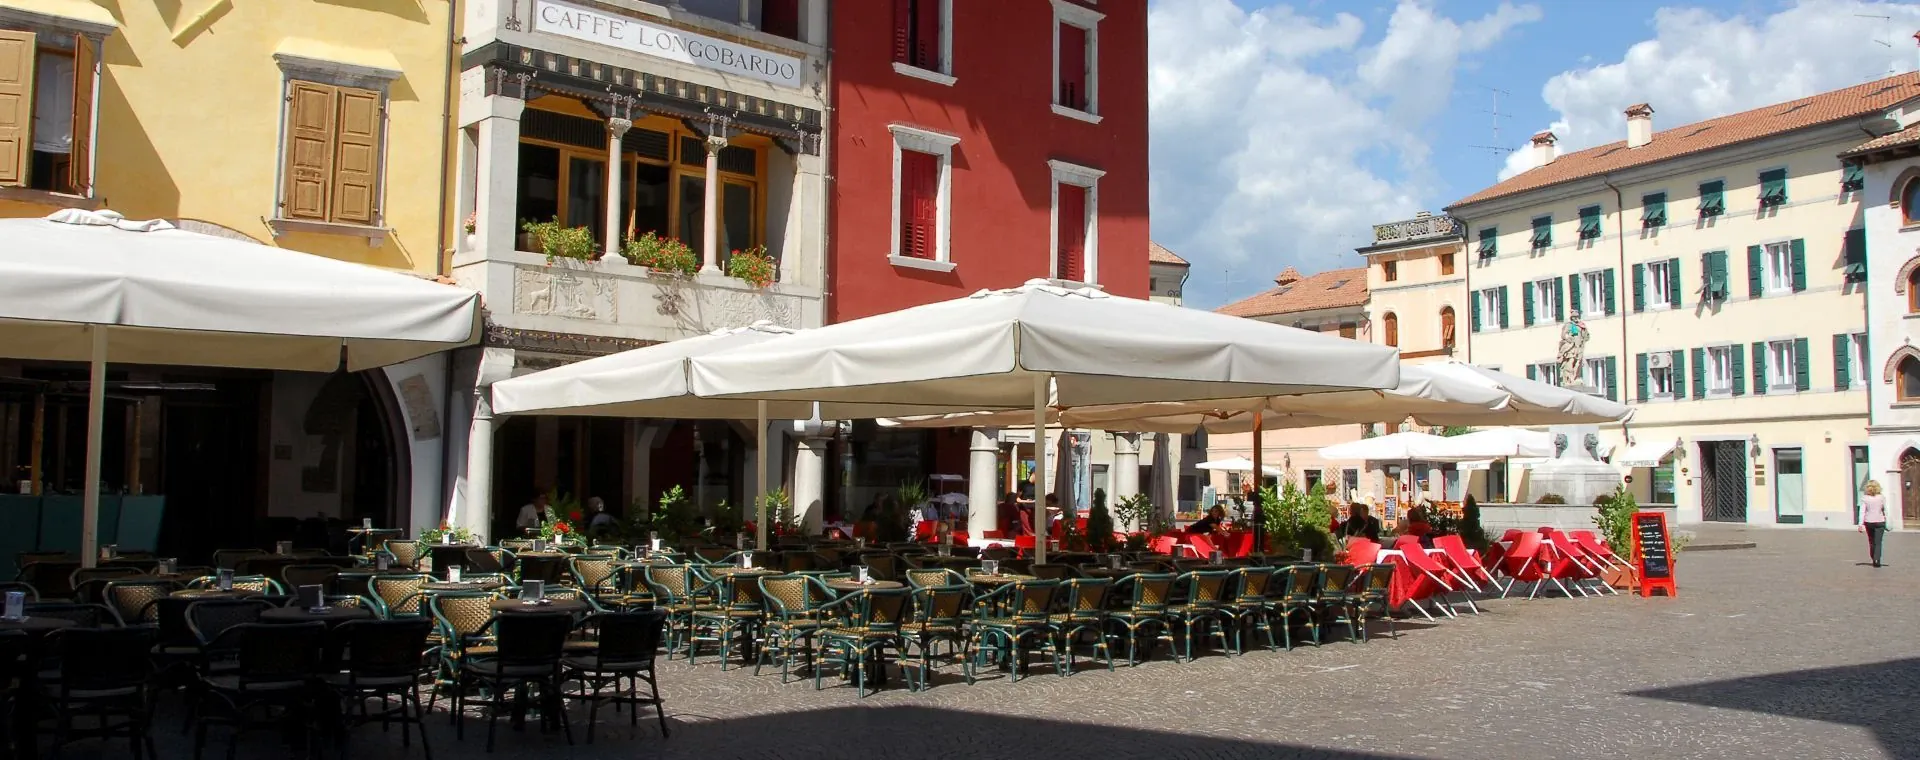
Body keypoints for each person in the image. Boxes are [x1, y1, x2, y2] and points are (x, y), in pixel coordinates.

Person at [1861, 480, 1888, 568]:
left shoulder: (1864, 498)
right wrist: (1887, 518)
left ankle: (1873, 557)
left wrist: (1860, 524)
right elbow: (1885, 510)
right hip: (1880, 521)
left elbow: (1862, 511)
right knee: (1878, 542)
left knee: (1871, 541)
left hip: (1869, 521)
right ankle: (1877, 559)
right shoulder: (1881, 497)